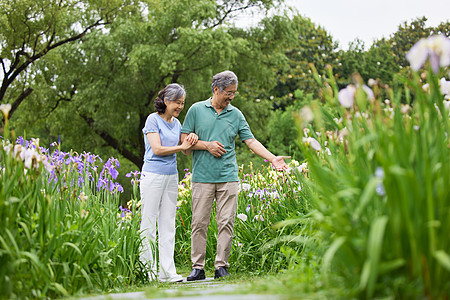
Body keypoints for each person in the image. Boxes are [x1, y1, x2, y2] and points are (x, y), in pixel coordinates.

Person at [180, 70, 289, 280]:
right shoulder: (195, 110)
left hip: (228, 176)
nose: (231, 97)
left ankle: (222, 266)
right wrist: (206, 145)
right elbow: (184, 146)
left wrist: (273, 158)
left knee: (226, 222)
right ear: (216, 90)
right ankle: (197, 268)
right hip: (202, 177)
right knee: (199, 223)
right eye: (228, 93)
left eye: (234, 93)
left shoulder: (236, 114)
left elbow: (251, 141)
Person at [140, 83, 198, 283]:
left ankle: (168, 272)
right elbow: (157, 149)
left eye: (182, 103)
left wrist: (191, 139)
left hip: (171, 176)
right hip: (152, 176)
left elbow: (185, 150)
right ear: (166, 101)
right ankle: (147, 271)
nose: (180, 106)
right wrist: (181, 145)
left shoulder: (177, 123)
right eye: (177, 102)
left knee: (168, 224)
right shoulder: (152, 120)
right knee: (148, 224)